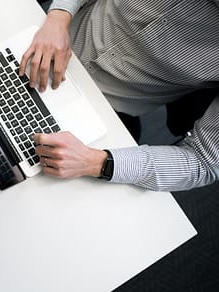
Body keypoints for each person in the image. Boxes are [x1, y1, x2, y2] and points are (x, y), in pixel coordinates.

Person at [19, 0, 219, 191]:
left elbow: (203, 161)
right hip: (48, 35)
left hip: (102, 111)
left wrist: (93, 162)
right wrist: (59, 16)